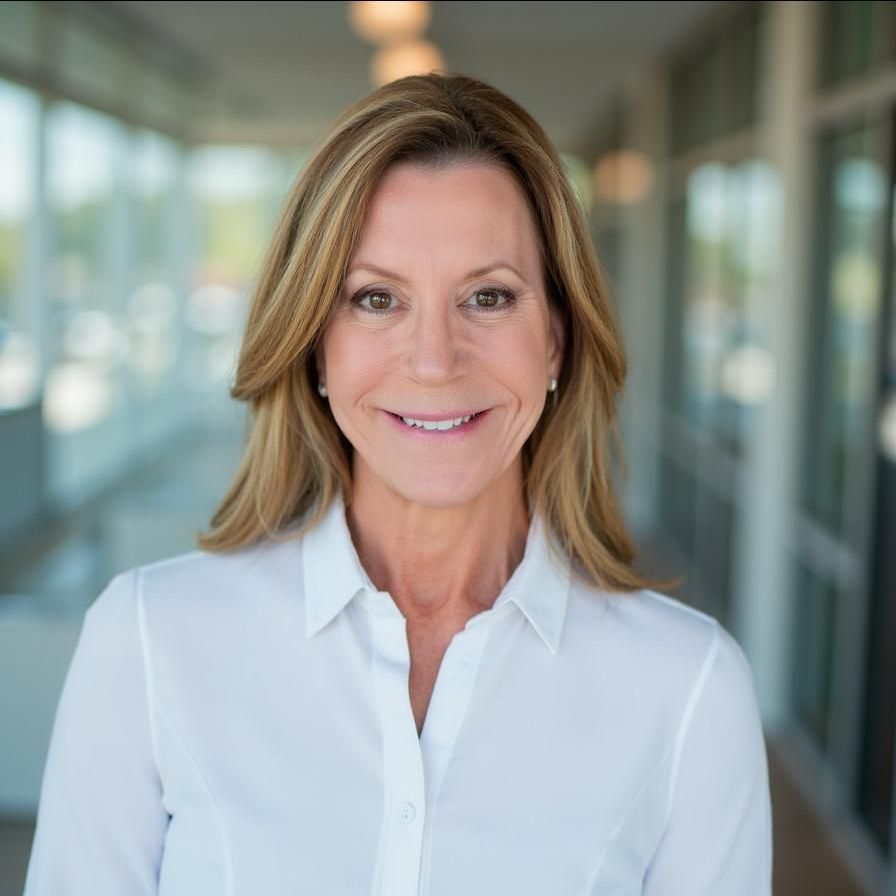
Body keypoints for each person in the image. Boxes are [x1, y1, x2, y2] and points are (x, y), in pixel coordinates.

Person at [22, 71, 773, 895]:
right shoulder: (147, 644)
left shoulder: (691, 688)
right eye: (377, 299)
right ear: (314, 346)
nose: (433, 360)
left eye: (488, 297)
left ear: (556, 340)